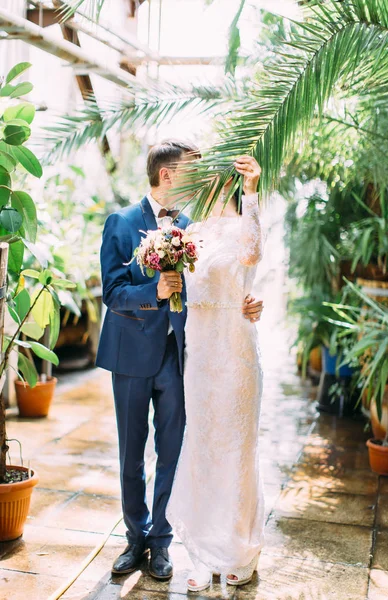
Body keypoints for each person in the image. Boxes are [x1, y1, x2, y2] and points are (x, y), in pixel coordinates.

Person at [96, 140, 264, 580]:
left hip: (179, 356)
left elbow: (218, 280)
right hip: (131, 356)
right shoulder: (122, 222)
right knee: (132, 454)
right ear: (167, 175)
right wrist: (153, 292)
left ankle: (161, 541)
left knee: (172, 451)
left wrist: (246, 301)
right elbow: (112, 293)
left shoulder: (194, 227)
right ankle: (135, 538)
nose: (199, 179)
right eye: (191, 170)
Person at [167, 155, 265, 592]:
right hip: (201, 351)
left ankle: (238, 549)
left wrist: (252, 192)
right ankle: (203, 553)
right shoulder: (189, 233)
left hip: (236, 347)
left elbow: (252, 254)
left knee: (237, 447)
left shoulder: (243, 223)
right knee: (204, 445)